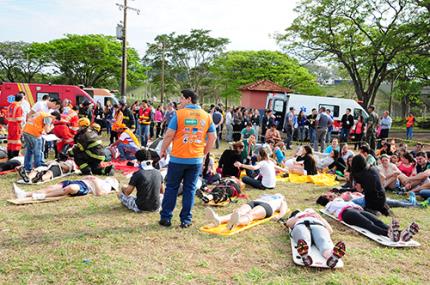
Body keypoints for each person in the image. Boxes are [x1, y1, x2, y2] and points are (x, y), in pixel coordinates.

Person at [159, 90, 216, 228]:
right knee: (189, 189)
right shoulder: (207, 116)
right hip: (195, 160)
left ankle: (166, 218)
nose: (180, 102)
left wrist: (162, 150)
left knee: (171, 188)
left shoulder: (179, 114)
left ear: (189, 99)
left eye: (181, 99)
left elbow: (169, 135)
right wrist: (204, 153)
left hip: (178, 158)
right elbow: (213, 137)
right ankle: (186, 220)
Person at [318, 198, 419, 242]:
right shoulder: (330, 205)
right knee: (368, 224)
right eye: (328, 196)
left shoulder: (338, 200)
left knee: (378, 221)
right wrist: (335, 199)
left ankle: (401, 233)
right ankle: (388, 234)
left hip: (355, 210)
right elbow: (337, 205)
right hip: (347, 213)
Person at [205, 193, 288, 230]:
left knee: (251, 214)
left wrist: (279, 216)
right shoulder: (267, 196)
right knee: (239, 212)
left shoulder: (281, 200)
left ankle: (236, 222)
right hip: (255, 202)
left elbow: (283, 209)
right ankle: (219, 219)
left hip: (267, 206)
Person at [13, 176, 118, 201]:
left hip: (84, 187)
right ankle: (25, 194)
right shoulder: (103, 180)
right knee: (52, 187)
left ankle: (42, 196)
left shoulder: (108, 188)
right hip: (80, 182)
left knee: (71, 188)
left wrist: (94, 181)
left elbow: (99, 193)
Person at [6, 93, 24, 159]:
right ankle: (15, 158)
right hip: (16, 126)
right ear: (21, 99)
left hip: (10, 125)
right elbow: (18, 119)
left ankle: (9, 157)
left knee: (10, 142)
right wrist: (21, 128)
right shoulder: (18, 107)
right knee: (17, 142)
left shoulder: (10, 105)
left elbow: (7, 117)